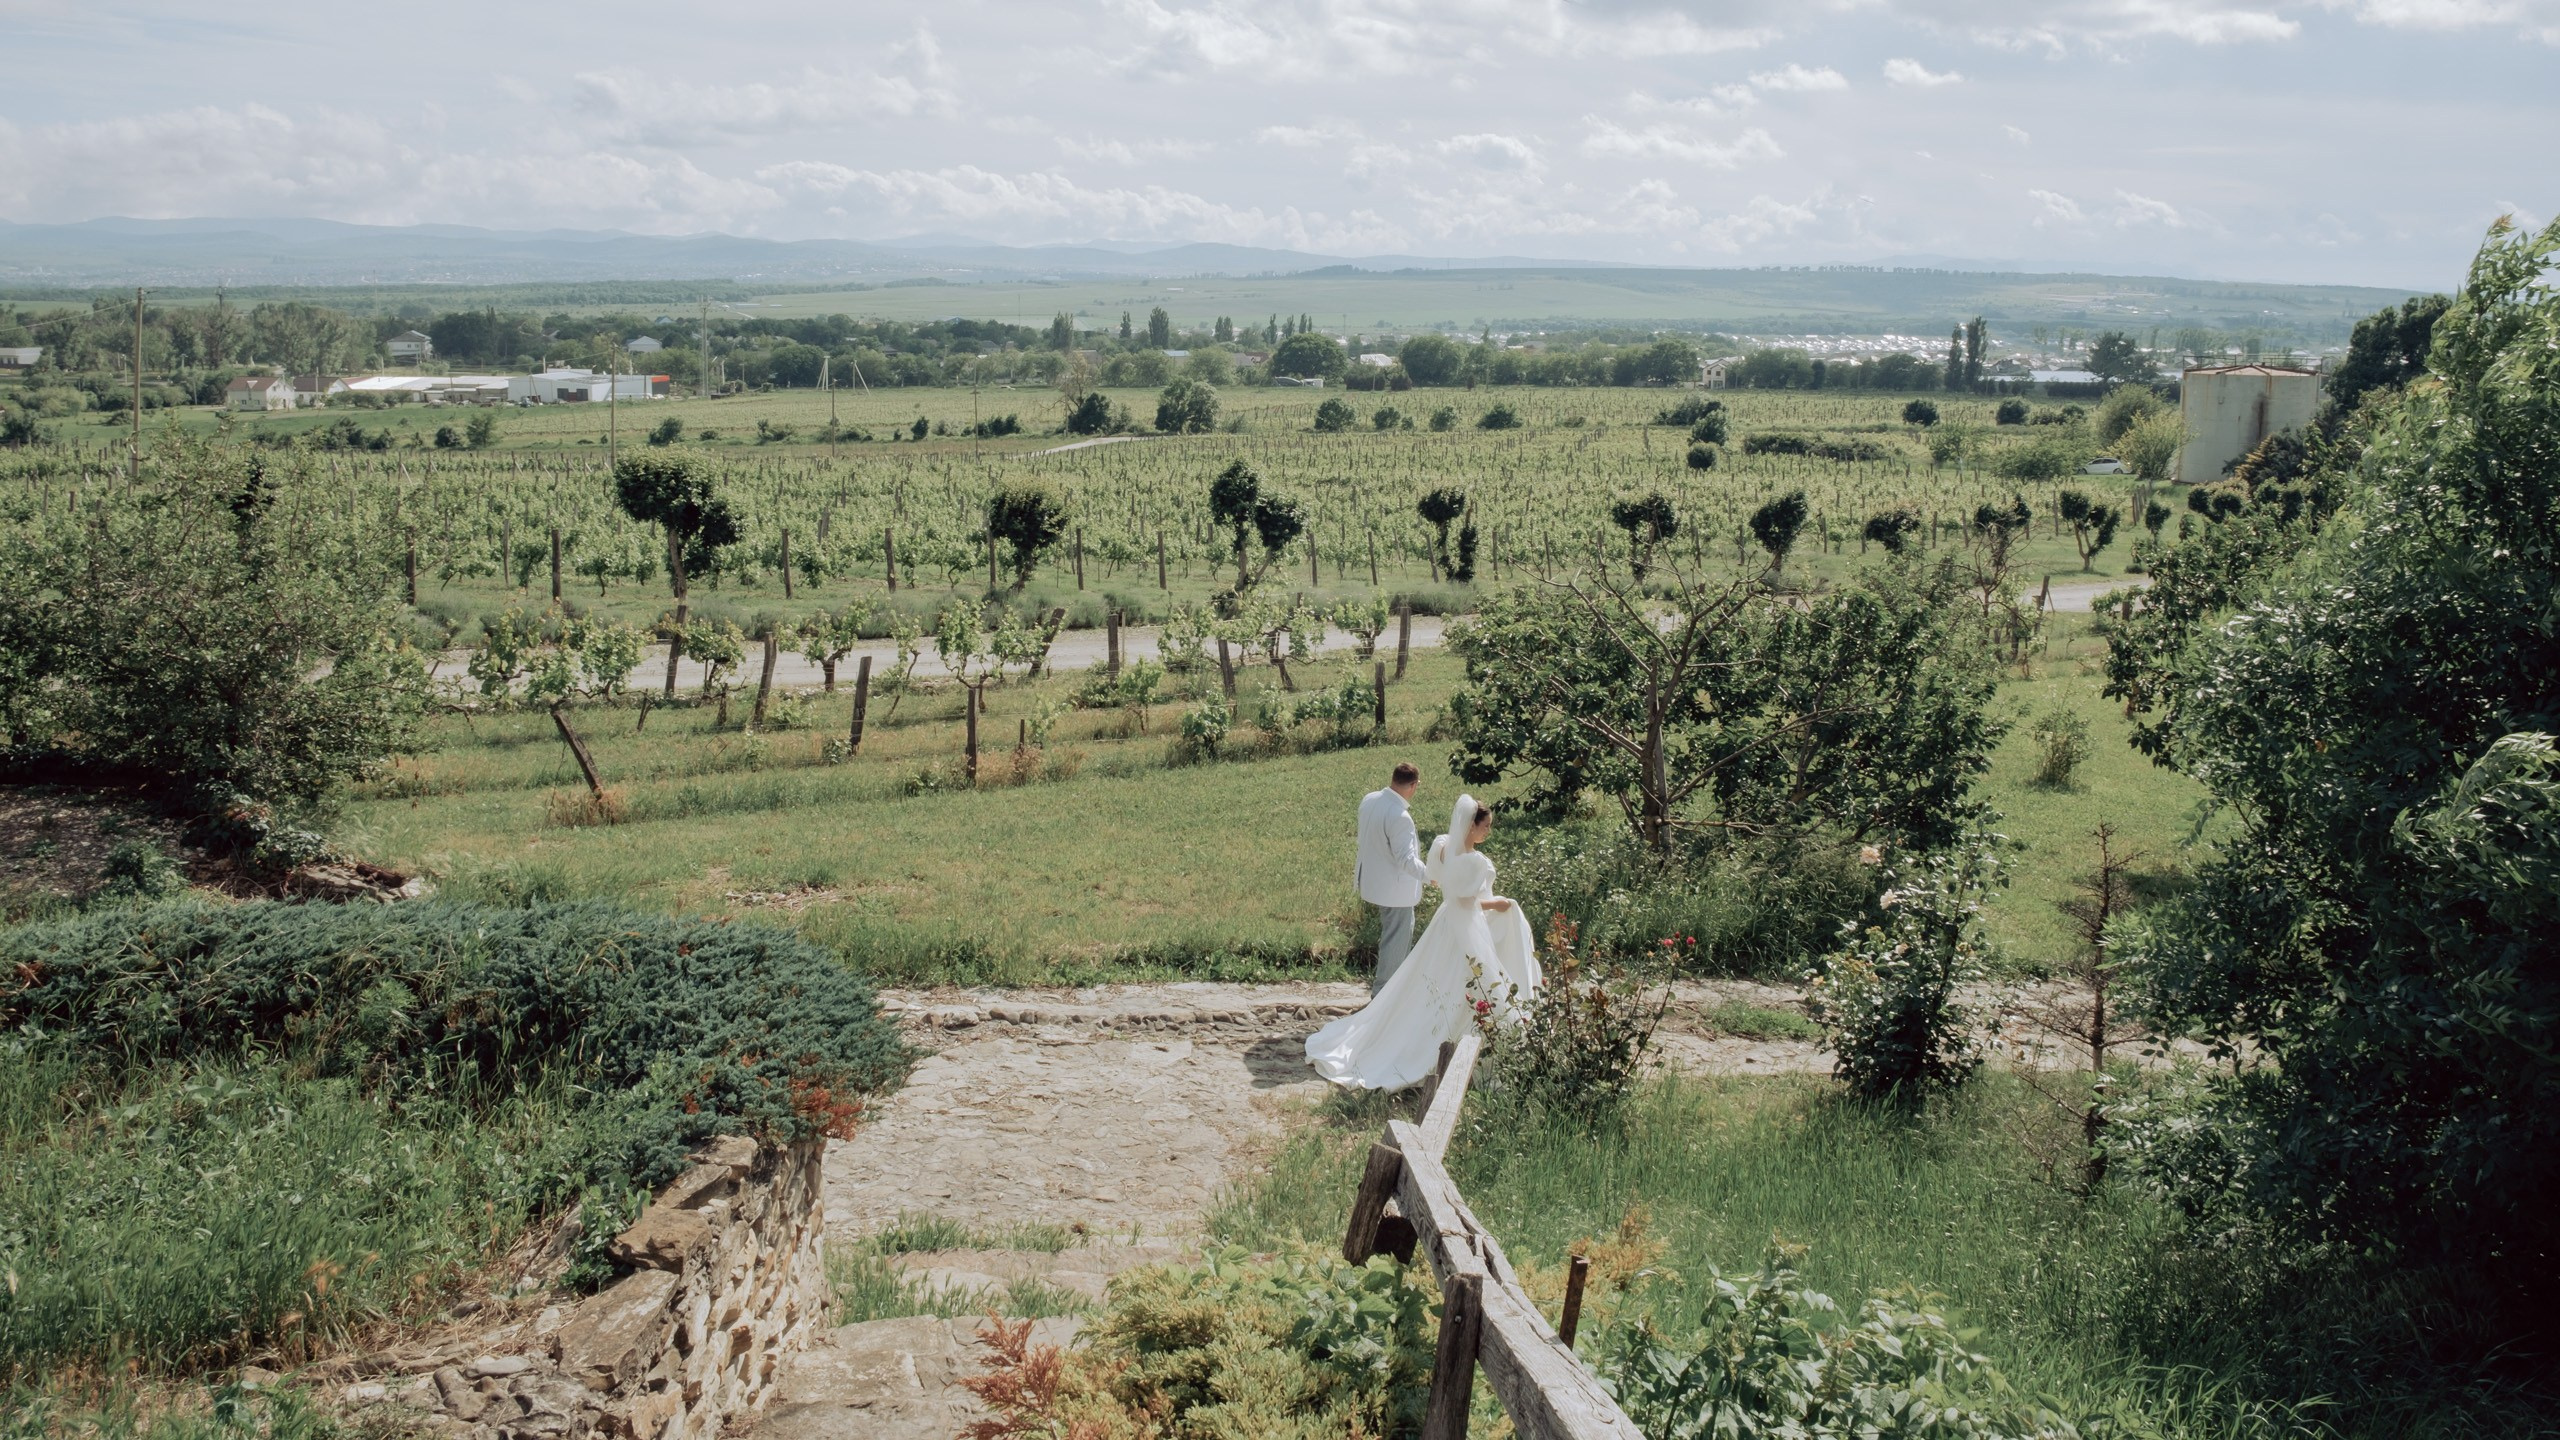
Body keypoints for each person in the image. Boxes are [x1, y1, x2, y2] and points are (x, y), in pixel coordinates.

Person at [1308, 794, 1541, 1091]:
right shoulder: (1474, 861)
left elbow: (1442, 882)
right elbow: (1467, 902)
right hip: (1468, 925)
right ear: (1471, 826)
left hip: (1447, 923)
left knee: (1437, 979)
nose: (1488, 832)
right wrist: (1499, 904)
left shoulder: (1443, 847)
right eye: (1486, 826)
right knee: (1467, 980)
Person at [1354, 762, 1430, 992]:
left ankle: (1393, 991)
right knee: (1396, 940)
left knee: (1394, 936)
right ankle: (1383, 993)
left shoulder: (1370, 799)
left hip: (1372, 881)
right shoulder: (1400, 816)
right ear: (1414, 785)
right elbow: (1406, 859)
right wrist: (1431, 875)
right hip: (1395, 891)